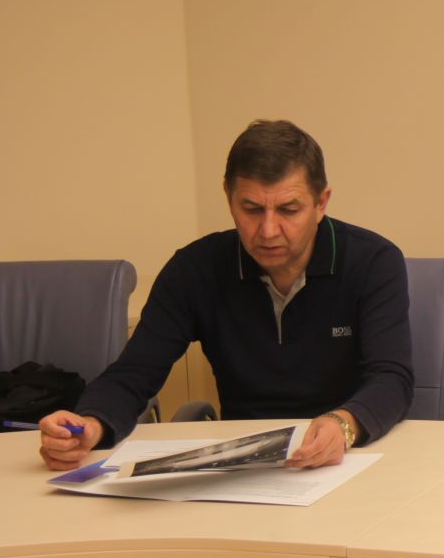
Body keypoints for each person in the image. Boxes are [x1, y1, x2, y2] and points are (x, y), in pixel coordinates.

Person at [38, 120, 413, 471]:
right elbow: (135, 372)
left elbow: (392, 378)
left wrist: (344, 424)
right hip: (244, 463)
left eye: (288, 210)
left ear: (321, 203)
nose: (268, 230)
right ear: (229, 198)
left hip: (348, 457)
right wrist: (90, 423)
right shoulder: (195, 270)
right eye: (251, 209)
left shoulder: (372, 262)